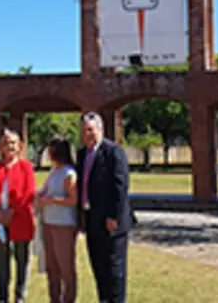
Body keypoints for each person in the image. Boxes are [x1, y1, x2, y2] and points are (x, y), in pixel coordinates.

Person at [77, 112, 132, 303]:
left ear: (100, 129)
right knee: (99, 269)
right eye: (84, 131)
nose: (87, 134)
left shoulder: (113, 151)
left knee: (114, 272)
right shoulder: (82, 153)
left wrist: (113, 217)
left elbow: (120, 186)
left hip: (112, 224)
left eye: (91, 130)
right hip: (92, 220)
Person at [0, 130, 36, 303]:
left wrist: (12, 212)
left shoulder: (26, 167)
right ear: (1, 147)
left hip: (20, 218)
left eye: (13, 143)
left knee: (22, 259)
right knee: (2, 261)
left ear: (19, 146)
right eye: (7, 143)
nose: (10, 146)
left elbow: (29, 192)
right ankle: (2, 297)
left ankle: (20, 296)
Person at [37, 138, 79, 303]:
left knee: (65, 267)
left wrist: (52, 200)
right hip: (49, 222)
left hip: (64, 225)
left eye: (51, 151)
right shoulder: (54, 171)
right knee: (51, 267)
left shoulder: (69, 173)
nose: (48, 154)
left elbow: (73, 200)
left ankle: (69, 299)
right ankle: (54, 298)